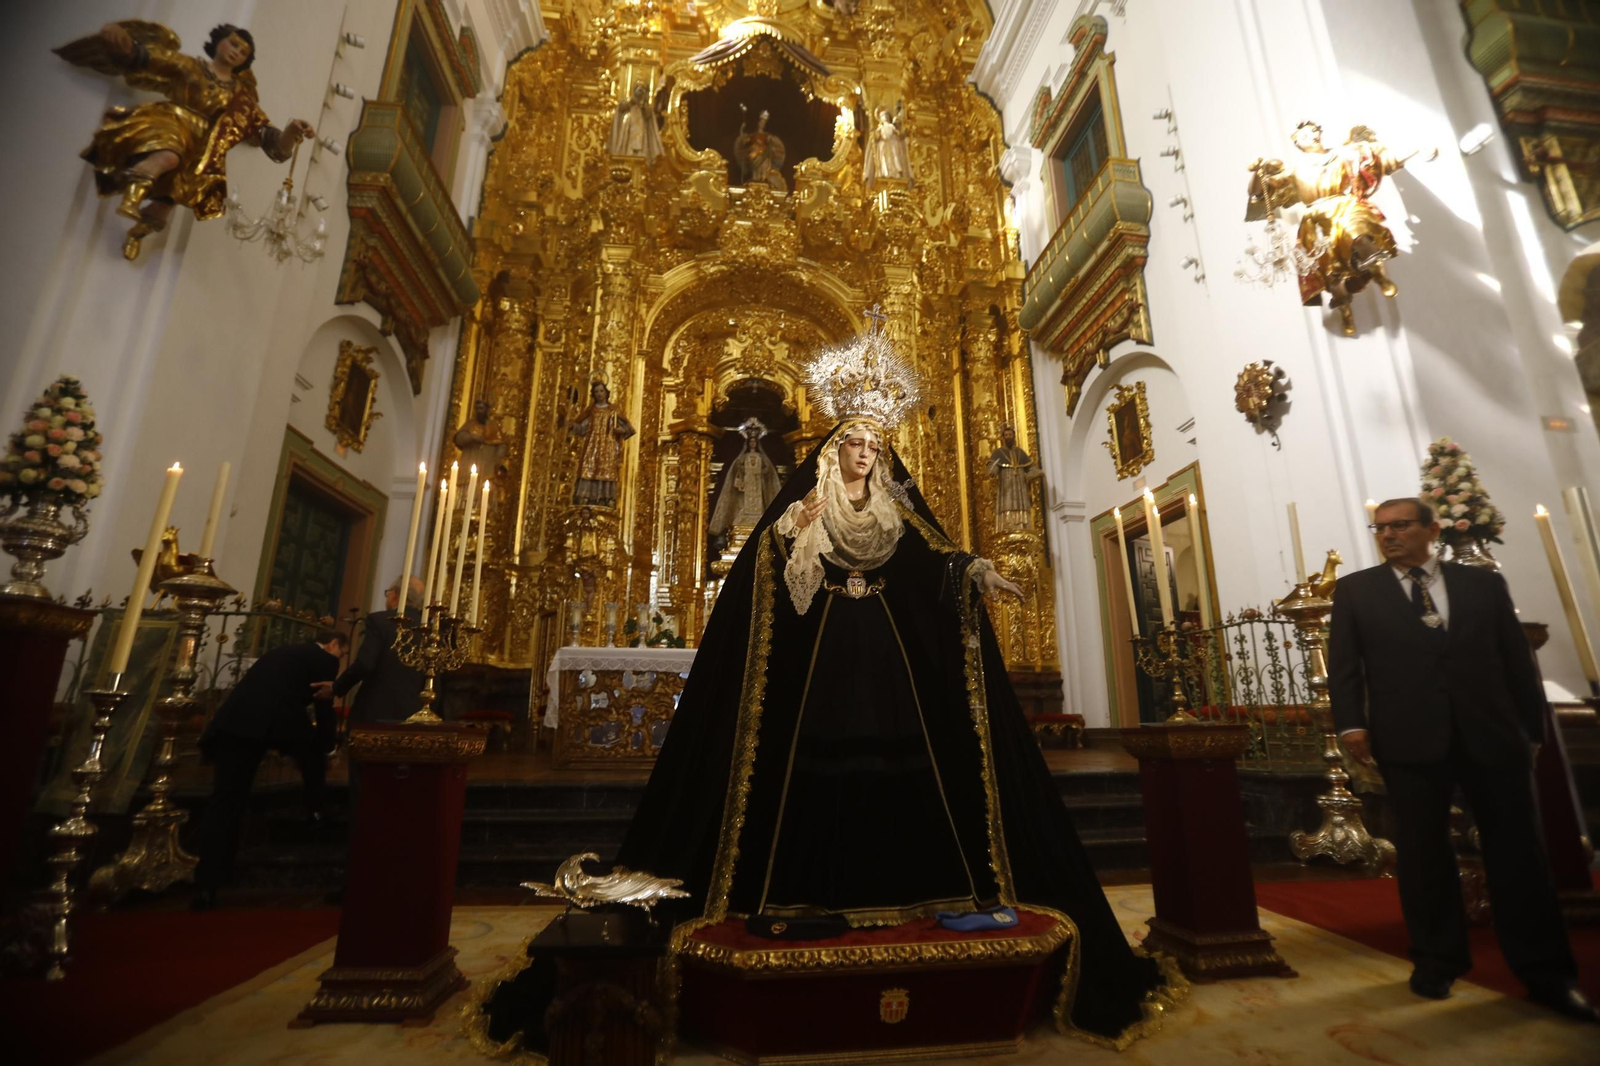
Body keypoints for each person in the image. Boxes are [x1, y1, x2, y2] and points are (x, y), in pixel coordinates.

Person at [474, 325, 1180, 1052]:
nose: (866, 453)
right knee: (805, 767)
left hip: (888, 661)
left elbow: (931, 556)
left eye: (875, 444)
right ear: (835, 447)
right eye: (856, 443)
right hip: (820, 661)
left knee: (900, 763)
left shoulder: (895, 507)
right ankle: (804, 882)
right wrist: (792, 533)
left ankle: (907, 879)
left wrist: (976, 572)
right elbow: (768, 575)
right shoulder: (804, 503)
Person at [1329, 498, 1595, 1022]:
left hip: (1491, 737)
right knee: (1423, 855)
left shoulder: (1481, 584)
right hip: (1408, 740)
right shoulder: (1357, 590)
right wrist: (1352, 724)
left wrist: (1530, 731)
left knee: (1519, 855)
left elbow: (1515, 660)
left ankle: (1547, 974)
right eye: (1380, 528)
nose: (1388, 535)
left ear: (1433, 529)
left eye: (1400, 525)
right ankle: (1436, 962)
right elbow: (1344, 667)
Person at [55, 21, 314, 260]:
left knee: (163, 208)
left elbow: (271, 142)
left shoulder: (240, 97)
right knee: (168, 156)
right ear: (219, 41)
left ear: (245, 61)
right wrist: (124, 44)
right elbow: (148, 58)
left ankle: (137, 233)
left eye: (243, 52)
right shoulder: (189, 66)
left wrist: (291, 131)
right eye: (233, 43)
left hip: (199, 151)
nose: (236, 52)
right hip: (173, 122)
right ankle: (132, 197)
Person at [192, 628, 347, 910]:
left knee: (225, 801)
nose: (340, 657)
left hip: (235, 722)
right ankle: (315, 811)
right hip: (278, 721)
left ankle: (207, 883)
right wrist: (329, 747)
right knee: (314, 758)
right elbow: (323, 704)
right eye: (342, 652)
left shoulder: (283, 651)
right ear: (333, 644)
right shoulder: (326, 659)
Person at [317, 576, 425, 723]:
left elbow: (365, 664)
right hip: (414, 715)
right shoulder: (429, 630)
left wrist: (337, 688)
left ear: (394, 595)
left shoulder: (380, 621)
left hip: (375, 712)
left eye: (388, 593)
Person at [569, 381, 635, 507]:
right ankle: (586, 498)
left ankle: (605, 499)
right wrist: (572, 425)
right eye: (596, 392)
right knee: (589, 470)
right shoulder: (591, 410)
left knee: (606, 471)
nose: (599, 394)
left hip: (608, 446)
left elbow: (629, 429)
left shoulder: (613, 410)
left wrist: (620, 430)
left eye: (601, 391)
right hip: (592, 446)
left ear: (606, 392)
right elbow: (582, 428)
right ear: (593, 394)